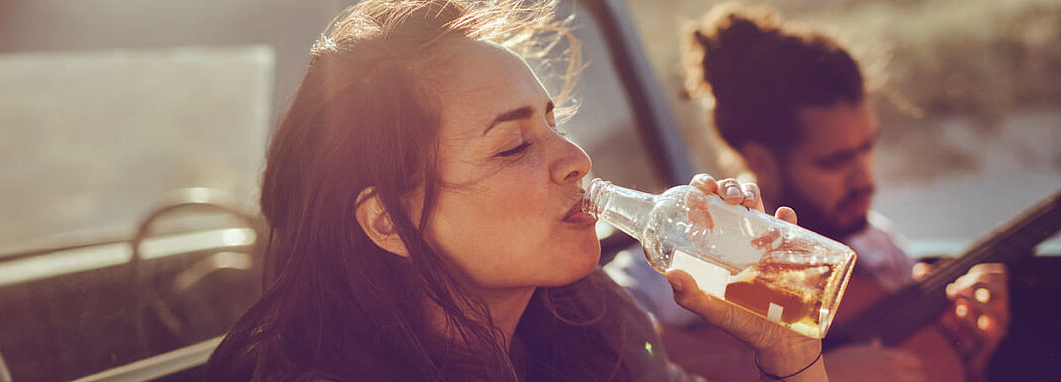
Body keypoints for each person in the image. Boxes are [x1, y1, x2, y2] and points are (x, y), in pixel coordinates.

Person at [206, 1, 833, 380]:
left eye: (553, 124)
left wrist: (785, 351)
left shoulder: (592, 320)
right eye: (513, 146)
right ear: (389, 223)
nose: (577, 160)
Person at [604, 3, 1010, 382]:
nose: (864, 178)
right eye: (833, 162)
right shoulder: (698, 244)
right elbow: (609, 327)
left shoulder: (878, 247)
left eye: (867, 148)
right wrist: (795, 365)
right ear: (762, 161)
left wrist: (973, 341)